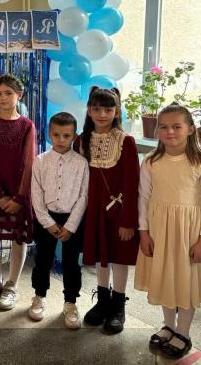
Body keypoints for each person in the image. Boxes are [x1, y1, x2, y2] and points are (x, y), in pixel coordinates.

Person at [134, 104, 201, 359]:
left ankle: (184, 332)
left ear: (190, 129)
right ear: (157, 131)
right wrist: (144, 232)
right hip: (160, 231)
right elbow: (143, 198)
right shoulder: (151, 161)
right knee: (165, 277)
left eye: (177, 126)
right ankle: (169, 325)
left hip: (189, 234)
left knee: (185, 281)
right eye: (164, 127)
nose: (170, 132)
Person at [75, 87, 139, 334]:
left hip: (119, 211)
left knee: (118, 256)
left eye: (108, 109)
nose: (102, 114)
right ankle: (102, 301)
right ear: (89, 111)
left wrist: (128, 220)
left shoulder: (126, 142)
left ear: (117, 111)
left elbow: (132, 183)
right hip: (92, 210)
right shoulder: (81, 141)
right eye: (97, 109)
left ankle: (118, 305)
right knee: (101, 254)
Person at [0, 74, 37, 311]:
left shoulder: (27, 125)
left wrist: (19, 198)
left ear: (19, 95)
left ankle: (12, 285)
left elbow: (29, 163)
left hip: (18, 191)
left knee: (18, 240)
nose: (3, 98)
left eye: (8, 93)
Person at [29, 113, 89, 329]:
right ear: (49, 134)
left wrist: (71, 226)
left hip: (73, 218)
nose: (61, 140)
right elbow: (36, 194)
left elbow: (83, 196)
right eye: (56, 135)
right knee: (42, 260)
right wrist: (48, 222)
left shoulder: (81, 163)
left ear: (74, 136)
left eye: (66, 135)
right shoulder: (40, 161)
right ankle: (39, 296)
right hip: (47, 218)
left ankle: (70, 303)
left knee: (71, 263)